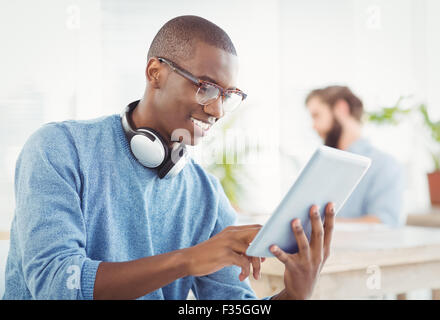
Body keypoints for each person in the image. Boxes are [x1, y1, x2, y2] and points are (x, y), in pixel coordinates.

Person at [3, 16, 335, 300]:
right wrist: (187, 261)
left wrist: (293, 294)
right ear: (155, 73)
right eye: (205, 87)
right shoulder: (59, 148)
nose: (217, 110)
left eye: (227, 96)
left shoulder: (206, 195)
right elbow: (57, 283)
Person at [305, 85, 405, 227]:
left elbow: (385, 224)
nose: (313, 126)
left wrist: (320, 227)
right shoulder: (322, 167)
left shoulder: (384, 165)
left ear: (341, 109)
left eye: (316, 115)